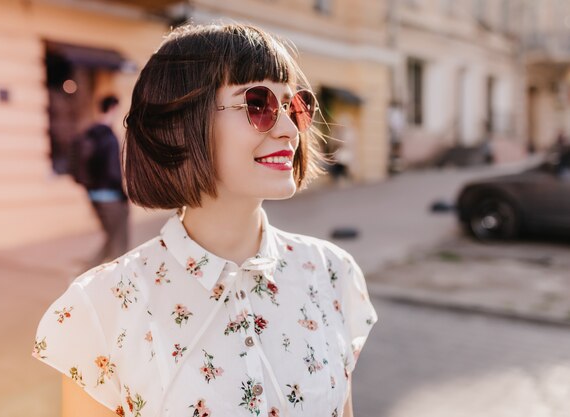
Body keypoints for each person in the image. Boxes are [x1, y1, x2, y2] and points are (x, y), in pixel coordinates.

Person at [33, 24, 377, 417]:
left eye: (294, 106)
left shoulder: (331, 273)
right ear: (182, 123)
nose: (288, 130)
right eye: (257, 104)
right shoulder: (99, 308)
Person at [79, 95, 129, 267]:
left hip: (94, 195)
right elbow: (113, 170)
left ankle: (86, 273)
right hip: (111, 196)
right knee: (119, 241)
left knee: (111, 237)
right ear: (114, 108)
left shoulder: (89, 133)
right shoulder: (109, 136)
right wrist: (123, 194)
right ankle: (89, 274)